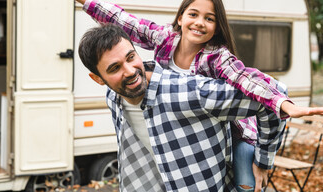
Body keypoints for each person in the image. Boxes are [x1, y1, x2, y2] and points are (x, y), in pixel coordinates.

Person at [52, 0, 323, 192]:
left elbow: (247, 79)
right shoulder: (164, 40)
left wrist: (283, 105)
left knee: (244, 178)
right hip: (177, 127)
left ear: (217, 26)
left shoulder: (217, 57)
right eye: (193, 14)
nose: (200, 22)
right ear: (180, 18)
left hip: (233, 129)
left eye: (210, 19)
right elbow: (125, 21)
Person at [79, 23, 287, 192]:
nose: (130, 71)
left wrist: (263, 160)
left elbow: (272, 97)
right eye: (115, 68)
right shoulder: (113, 97)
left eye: (131, 57)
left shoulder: (189, 92)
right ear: (98, 78)